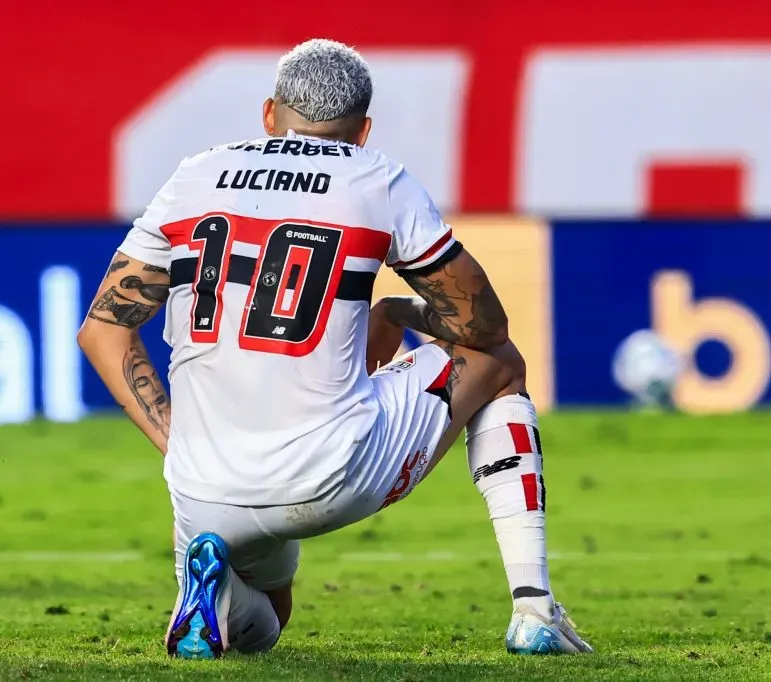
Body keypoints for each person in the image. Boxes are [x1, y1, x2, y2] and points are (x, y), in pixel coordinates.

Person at [77, 38, 592, 659]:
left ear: (270, 114)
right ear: (364, 130)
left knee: (266, 621)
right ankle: (535, 607)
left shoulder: (195, 176)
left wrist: (174, 437)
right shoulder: (377, 180)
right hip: (331, 473)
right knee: (501, 365)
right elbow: (483, 327)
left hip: (201, 482)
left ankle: (214, 595)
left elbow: (101, 329)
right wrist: (396, 311)